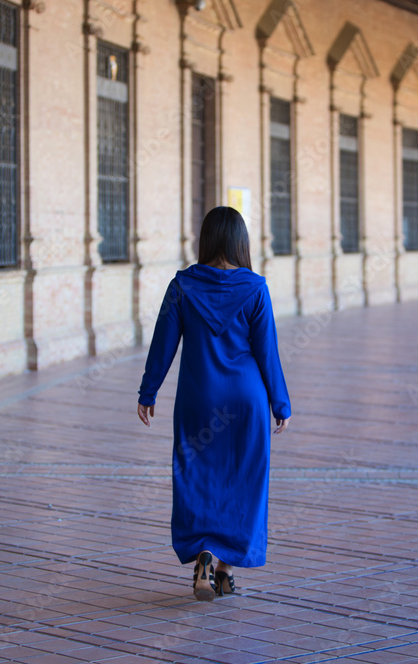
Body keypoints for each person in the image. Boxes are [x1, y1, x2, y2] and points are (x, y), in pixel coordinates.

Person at [137, 206, 292, 602]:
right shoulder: (256, 288)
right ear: (241, 242)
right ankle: (225, 568)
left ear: (205, 239)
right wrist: (281, 403)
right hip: (246, 400)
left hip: (199, 399)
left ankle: (206, 555)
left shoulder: (182, 286)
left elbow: (163, 344)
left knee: (195, 474)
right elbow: (267, 353)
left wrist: (148, 391)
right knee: (244, 481)